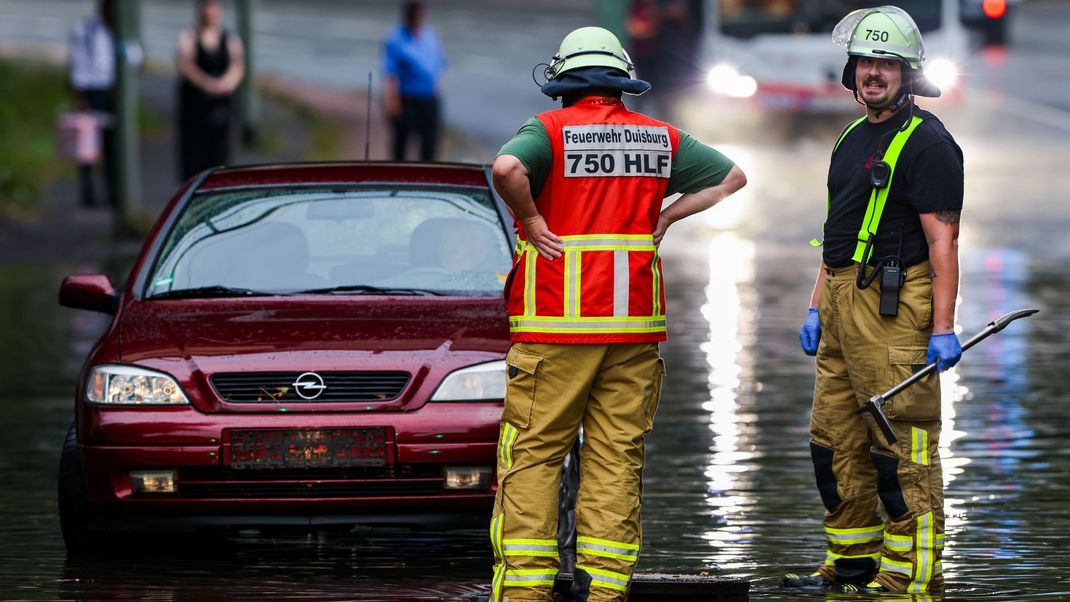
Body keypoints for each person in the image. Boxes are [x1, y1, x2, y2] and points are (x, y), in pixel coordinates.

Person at [489, 26, 746, 602]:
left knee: (534, 454)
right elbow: (732, 176)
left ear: (564, 82)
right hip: (632, 327)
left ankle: (526, 593)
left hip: (555, 324)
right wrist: (669, 216)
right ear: (622, 81)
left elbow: (507, 170)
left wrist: (530, 219)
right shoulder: (659, 138)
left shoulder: (548, 131)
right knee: (616, 456)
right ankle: (606, 592)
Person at [785, 5, 964, 595]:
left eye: (887, 63)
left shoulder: (929, 143)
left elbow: (943, 241)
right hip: (841, 301)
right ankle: (852, 566)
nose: (873, 73)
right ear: (851, 70)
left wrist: (943, 326)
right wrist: (816, 305)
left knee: (900, 449)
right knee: (833, 443)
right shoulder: (851, 135)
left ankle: (912, 578)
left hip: (894, 310)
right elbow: (837, 231)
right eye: (865, 61)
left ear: (908, 73)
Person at [177, 0, 245, 181]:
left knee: (220, 153)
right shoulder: (189, 37)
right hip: (195, 105)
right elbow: (185, 65)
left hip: (221, 106)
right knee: (194, 152)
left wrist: (226, 84)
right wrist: (207, 84)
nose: (209, 11)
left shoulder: (230, 39)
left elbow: (237, 66)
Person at [67, 0, 117, 208]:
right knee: (88, 145)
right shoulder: (86, 30)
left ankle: (114, 191)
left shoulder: (121, 31)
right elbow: (77, 64)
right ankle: (89, 193)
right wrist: (81, 97)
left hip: (113, 90)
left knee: (113, 145)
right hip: (92, 90)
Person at [382, 0, 446, 162]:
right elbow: (390, 73)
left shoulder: (430, 35)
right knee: (401, 146)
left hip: (428, 99)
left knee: (429, 146)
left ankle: (428, 180)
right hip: (406, 100)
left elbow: (436, 66)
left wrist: (437, 92)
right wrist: (391, 101)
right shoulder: (396, 38)